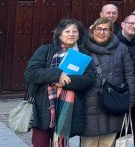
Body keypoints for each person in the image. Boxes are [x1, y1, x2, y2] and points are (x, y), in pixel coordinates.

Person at [24, 19, 97, 147]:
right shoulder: (46, 50)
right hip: (43, 107)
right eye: (67, 31)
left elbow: (90, 79)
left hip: (69, 109)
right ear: (59, 34)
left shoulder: (83, 54)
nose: (71, 34)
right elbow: (30, 73)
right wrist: (58, 74)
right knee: (40, 144)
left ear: (79, 35)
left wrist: (66, 82)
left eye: (75, 31)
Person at [81, 17, 135, 147]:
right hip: (89, 101)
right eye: (99, 29)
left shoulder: (121, 48)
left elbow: (129, 74)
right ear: (92, 30)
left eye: (106, 29)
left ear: (111, 31)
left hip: (113, 101)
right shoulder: (83, 49)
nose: (102, 32)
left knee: (108, 142)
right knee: (89, 143)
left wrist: (131, 99)